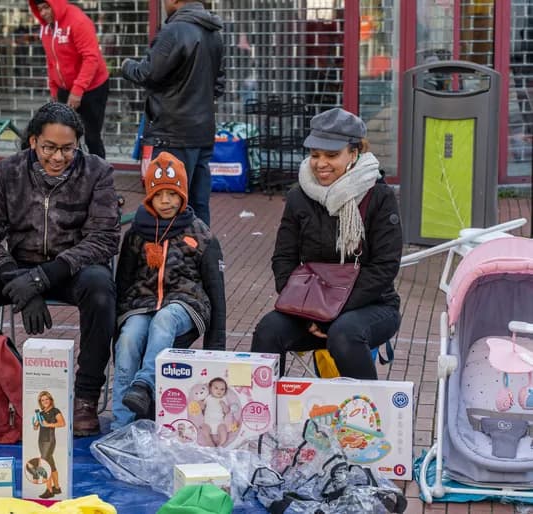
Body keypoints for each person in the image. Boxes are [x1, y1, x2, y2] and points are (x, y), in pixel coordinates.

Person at [0, 102, 120, 436]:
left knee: (101, 289)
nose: (58, 157)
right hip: (17, 269)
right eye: (49, 147)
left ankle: (86, 399)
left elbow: (104, 240)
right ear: (33, 141)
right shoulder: (9, 171)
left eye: (67, 149)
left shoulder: (98, 172)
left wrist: (42, 278)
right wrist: (17, 278)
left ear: (79, 144)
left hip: (70, 270)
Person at [250, 108, 402, 380]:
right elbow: (283, 259)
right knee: (268, 331)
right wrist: (304, 308)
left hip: (370, 305)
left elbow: (384, 266)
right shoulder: (299, 196)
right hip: (309, 305)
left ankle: (369, 416)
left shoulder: (379, 196)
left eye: (332, 155)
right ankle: (261, 416)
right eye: (315, 155)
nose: (321, 163)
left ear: (354, 153)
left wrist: (332, 311)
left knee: (345, 334)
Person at [111, 152, 226, 430]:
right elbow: (123, 281)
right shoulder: (137, 233)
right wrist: (116, 327)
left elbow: (216, 292)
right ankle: (121, 426)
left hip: (187, 306)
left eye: (172, 194)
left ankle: (144, 385)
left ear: (183, 195)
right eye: (159, 194)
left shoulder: (200, 234)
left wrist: (216, 349)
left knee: (165, 320)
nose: (166, 201)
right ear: (149, 196)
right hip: (142, 304)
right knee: (129, 338)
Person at [120, 0, 224, 226]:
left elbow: (147, 73)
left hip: (171, 134)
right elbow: (219, 86)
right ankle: (202, 256)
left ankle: (172, 258)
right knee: (198, 203)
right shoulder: (214, 33)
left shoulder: (174, 31)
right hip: (202, 133)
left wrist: (126, 65)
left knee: (167, 204)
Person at [28, 0, 110, 159]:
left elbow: (91, 58)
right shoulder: (46, 28)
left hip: (93, 86)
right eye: (39, 9)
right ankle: (70, 174)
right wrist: (54, 88)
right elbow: (52, 60)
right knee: (64, 136)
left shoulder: (78, 21)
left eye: (46, 8)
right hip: (65, 88)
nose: (43, 13)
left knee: (92, 136)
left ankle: (100, 176)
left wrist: (78, 91)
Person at [32, 391, 65, 499]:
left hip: (49, 440)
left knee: (45, 463)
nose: (45, 401)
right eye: (42, 400)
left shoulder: (55, 411)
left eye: (46, 399)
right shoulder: (40, 413)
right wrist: (36, 424)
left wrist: (48, 424)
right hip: (41, 440)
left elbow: (62, 423)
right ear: (40, 402)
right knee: (51, 464)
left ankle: (49, 490)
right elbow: (36, 428)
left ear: (50, 400)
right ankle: (57, 487)